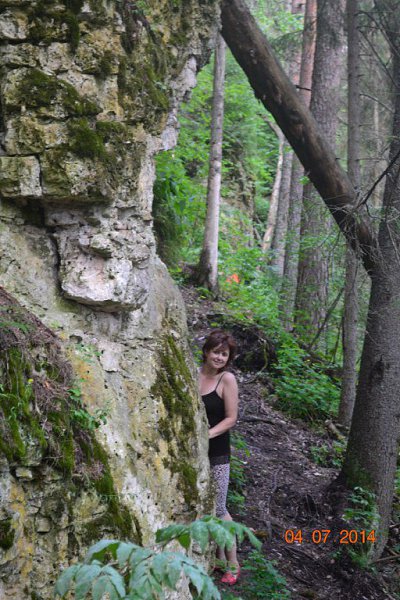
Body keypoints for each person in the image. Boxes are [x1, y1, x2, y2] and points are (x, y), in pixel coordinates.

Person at [199, 329, 240, 585]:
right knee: (204, 507)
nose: (219, 357)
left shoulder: (227, 379)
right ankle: (217, 558)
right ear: (206, 351)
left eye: (224, 354)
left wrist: (207, 435)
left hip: (217, 453)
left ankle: (233, 563)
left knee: (220, 508)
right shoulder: (193, 374)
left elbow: (231, 418)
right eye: (216, 352)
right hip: (194, 453)